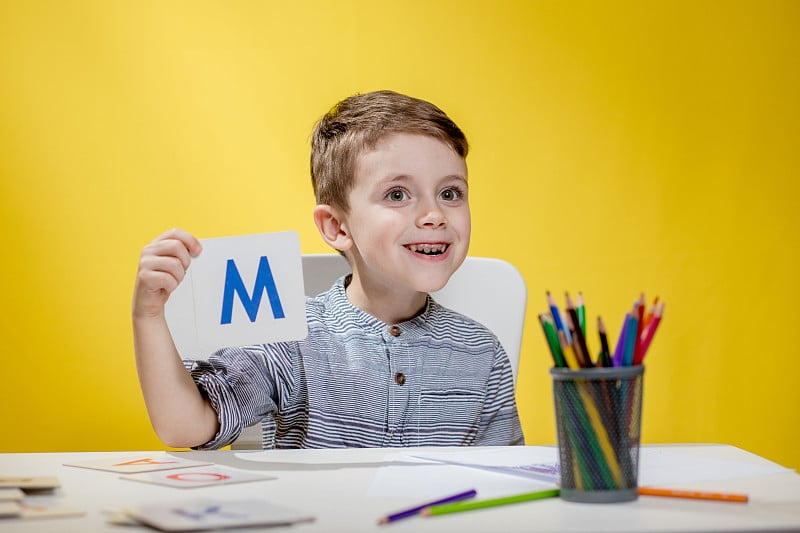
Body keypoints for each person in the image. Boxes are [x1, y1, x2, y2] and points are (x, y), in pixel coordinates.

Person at [132, 90, 524, 450]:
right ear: (337, 227)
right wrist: (148, 316)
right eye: (398, 194)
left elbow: (504, 478)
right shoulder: (287, 334)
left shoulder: (483, 352)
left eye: (450, 193)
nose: (434, 215)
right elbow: (184, 426)